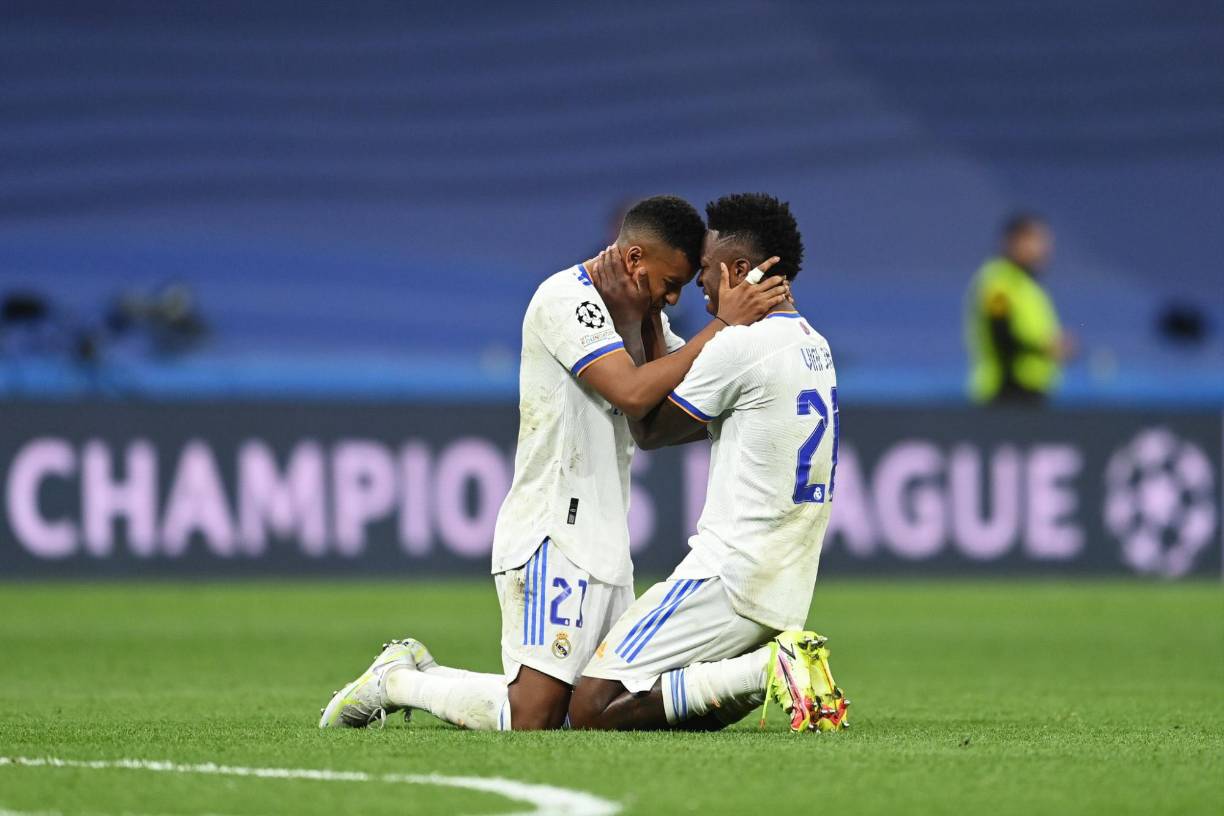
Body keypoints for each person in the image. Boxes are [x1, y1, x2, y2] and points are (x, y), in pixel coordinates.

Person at [319, 195, 791, 731]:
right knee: (535, 717)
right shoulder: (566, 299)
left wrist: (660, 325)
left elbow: (668, 404)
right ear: (634, 260)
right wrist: (722, 327)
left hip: (608, 541)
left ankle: (409, 673)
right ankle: (395, 681)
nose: (676, 297)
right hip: (552, 530)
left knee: (591, 710)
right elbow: (635, 394)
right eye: (669, 282)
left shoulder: (635, 316)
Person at [568, 193, 849, 733]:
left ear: (739, 271)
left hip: (725, 575)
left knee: (589, 708)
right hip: (785, 590)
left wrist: (644, 312)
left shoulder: (740, 346)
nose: (696, 283)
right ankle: (765, 668)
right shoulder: (814, 346)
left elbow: (647, 428)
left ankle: (765, 670)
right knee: (666, 697)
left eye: (706, 268)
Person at [965, 212, 1073, 406]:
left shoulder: (1027, 284)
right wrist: (1044, 349)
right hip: (1005, 393)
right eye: (1036, 240)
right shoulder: (998, 283)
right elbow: (1000, 333)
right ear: (1015, 241)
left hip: (1031, 392)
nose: (1044, 248)